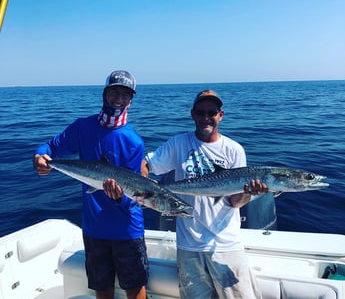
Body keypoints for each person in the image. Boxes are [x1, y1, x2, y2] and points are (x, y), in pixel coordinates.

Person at [141, 89, 268, 299]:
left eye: (212, 112)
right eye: (201, 113)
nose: (206, 118)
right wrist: (141, 187)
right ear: (193, 114)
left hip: (226, 244)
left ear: (221, 115)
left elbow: (235, 202)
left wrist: (249, 194)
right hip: (188, 245)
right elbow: (146, 164)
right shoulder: (179, 144)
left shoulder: (234, 150)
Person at [33, 70, 148, 299]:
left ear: (131, 101)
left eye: (125, 94)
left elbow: (135, 192)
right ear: (104, 94)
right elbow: (50, 147)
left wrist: (119, 198)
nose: (118, 98)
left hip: (127, 229)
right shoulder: (82, 128)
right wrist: (40, 157)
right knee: (102, 290)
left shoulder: (133, 141)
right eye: (114, 91)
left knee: (135, 291)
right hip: (94, 229)